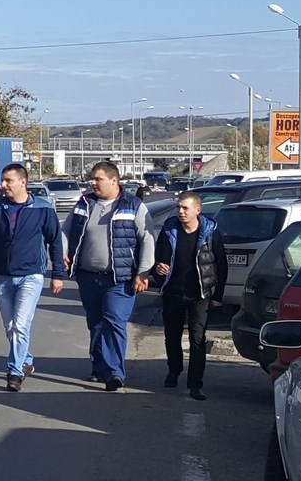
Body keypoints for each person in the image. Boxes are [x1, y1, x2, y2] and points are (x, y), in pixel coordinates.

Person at [0, 163, 66, 392]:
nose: (3, 186)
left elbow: (55, 242)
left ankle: (14, 372)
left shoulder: (42, 209)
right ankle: (26, 360)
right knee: (10, 326)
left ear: (23, 182)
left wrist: (58, 275)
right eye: (3, 180)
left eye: (8, 181)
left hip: (31, 276)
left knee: (21, 324)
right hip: (4, 276)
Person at [62, 161, 154, 391]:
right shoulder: (85, 203)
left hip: (120, 278)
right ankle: (99, 366)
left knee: (114, 321)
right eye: (92, 179)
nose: (93, 183)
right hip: (88, 277)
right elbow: (66, 230)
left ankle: (114, 372)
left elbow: (147, 238)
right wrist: (63, 253)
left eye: (98, 179)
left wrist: (143, 272)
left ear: (114, 181)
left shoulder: (133, 205)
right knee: (95, 323)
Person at [151, 191, 227, 401]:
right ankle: (174, 370)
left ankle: (195, 384)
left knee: (197, 338)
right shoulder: (169, 230)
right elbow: (159, 259)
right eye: (179, 207)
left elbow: (221, 264)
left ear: (197, 210)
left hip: (200, 294)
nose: (181, 212)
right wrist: (159, 269)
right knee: (172, 335)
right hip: (174, 292)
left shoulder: (211, 233)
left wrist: (217, 295)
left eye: (185, 208)